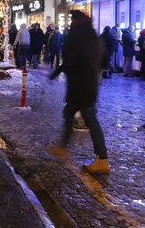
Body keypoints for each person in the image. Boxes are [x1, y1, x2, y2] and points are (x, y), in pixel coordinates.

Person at [49, 10, 109, 174]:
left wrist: (56, 72)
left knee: (87, 118)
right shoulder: (93, 36)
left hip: (78, 85)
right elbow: (104, 58)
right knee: (72, 113)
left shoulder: (74, 36)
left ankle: (102, 158)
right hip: (90, 85)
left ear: (74, 21)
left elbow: (69, 61)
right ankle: (63, 147)